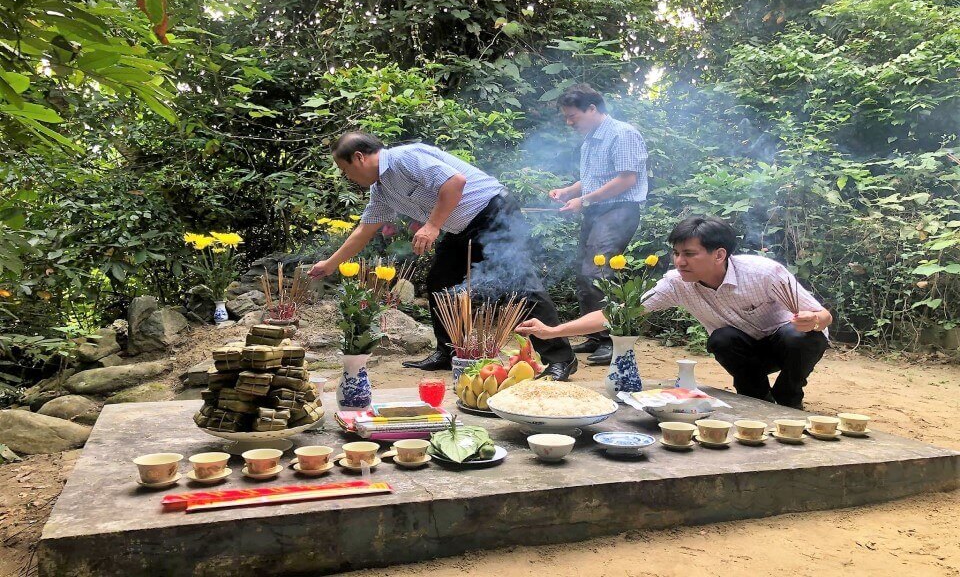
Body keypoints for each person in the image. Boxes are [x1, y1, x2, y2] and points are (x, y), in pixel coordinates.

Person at [308, 132, 578, 381]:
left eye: (346, 171)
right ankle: (448, 352)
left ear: (359, 157)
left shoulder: (405, 158)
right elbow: (365, 229)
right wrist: (331, 264)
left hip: (494, 213)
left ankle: (561, 359)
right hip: (460, 226)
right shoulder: (381, 189)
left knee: (520, 284)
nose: (348, 177)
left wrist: (432, 225)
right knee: (441, 280)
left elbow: (454, 182)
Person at [516, 216, 832, 409]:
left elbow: (823, 317)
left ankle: (789, 397)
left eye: (689, 254)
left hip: (784, 343)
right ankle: (757, 400)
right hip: (745, 349)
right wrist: (555, 332)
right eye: (677, 253)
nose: (680, 262)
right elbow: (620, 314)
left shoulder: (763, 273)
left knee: (800, 335)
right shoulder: (676, 284)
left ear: (719, 254)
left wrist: (813, 319)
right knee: (722, 339)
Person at [549, 84, 648, 366]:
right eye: (566, 117)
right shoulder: (591, 138)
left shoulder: (623, 134)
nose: (569, 122)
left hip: (619, 210)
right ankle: (594, 334)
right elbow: (594, 179)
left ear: (592, 109)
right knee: (583, 272)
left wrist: (584, 200)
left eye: (573, 116)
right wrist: (569, 191)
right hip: (596, 211)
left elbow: (626, 180)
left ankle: (610, 340)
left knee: (598, 272)